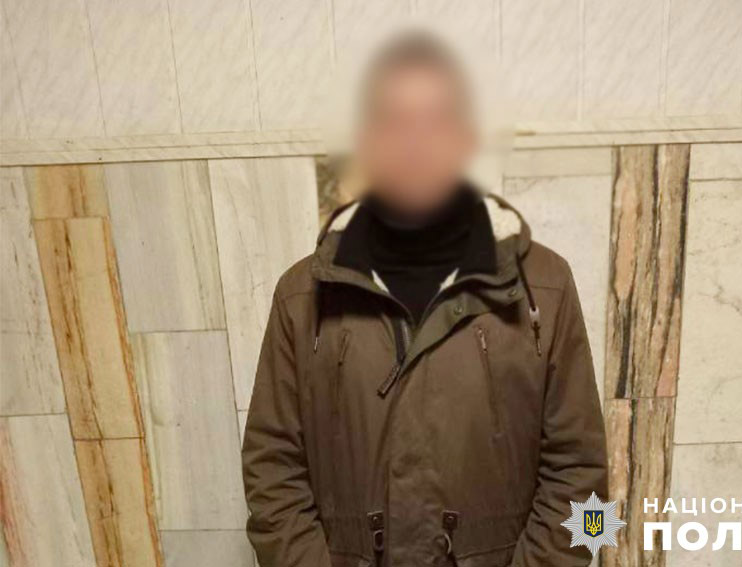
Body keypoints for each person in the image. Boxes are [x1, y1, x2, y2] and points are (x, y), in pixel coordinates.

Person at [241, 31, 607, 567]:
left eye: (436, 120)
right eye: (394, 122)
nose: (416, 143)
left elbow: (587, 489)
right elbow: (270, 475)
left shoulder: (546, 286)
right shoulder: (302, 296)